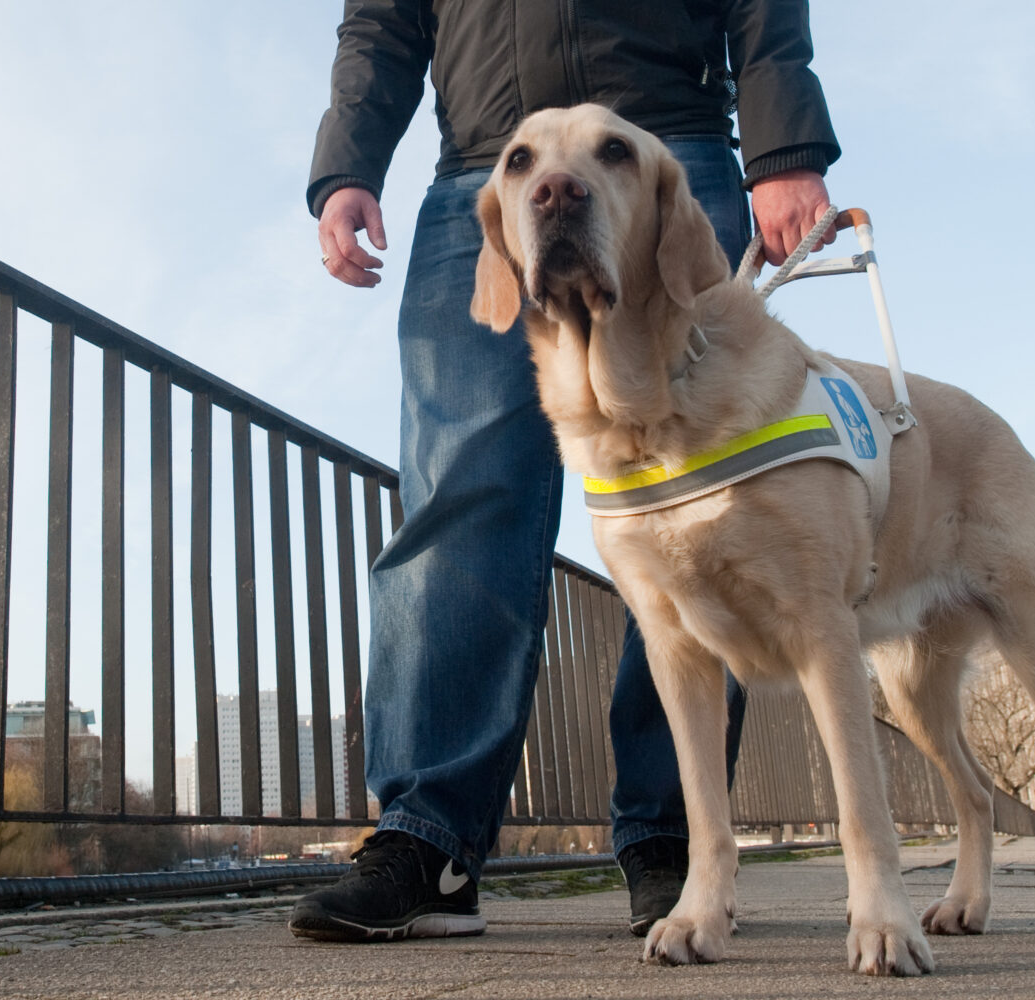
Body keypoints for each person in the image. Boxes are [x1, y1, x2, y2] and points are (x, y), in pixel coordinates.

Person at [291, 1, 840, 942]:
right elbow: (381, 16)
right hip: (487, 165)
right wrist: (348, 161)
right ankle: (428, 838)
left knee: (705, 511)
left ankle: (677, 843)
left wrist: (783, 145)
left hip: (663, 149)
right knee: (457, 500)